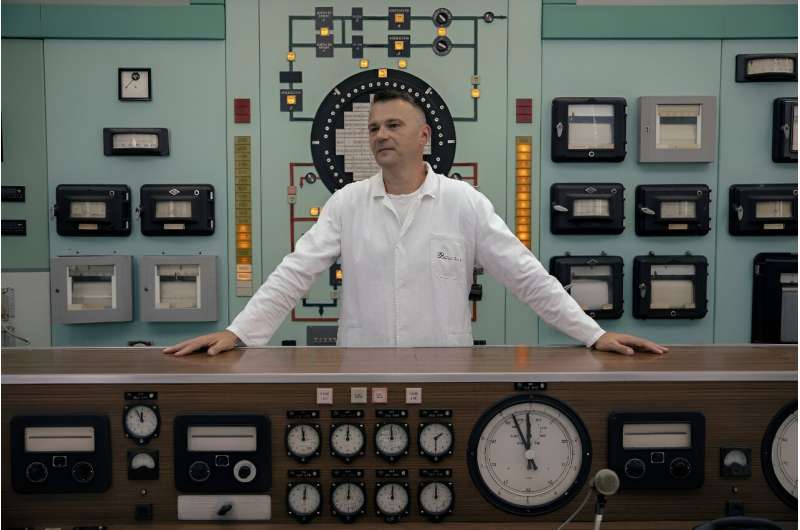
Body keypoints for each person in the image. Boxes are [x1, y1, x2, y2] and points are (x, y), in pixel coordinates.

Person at [165, 89, 667, 357]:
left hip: (446, 369)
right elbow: (293, 274)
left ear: (423, 134)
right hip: (360, 371)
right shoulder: (346, 203)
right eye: (374, 128)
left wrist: (592, 334)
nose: (381, 135)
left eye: (394, 125)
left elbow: (526, 276)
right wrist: (240, 333)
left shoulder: (463, 202)